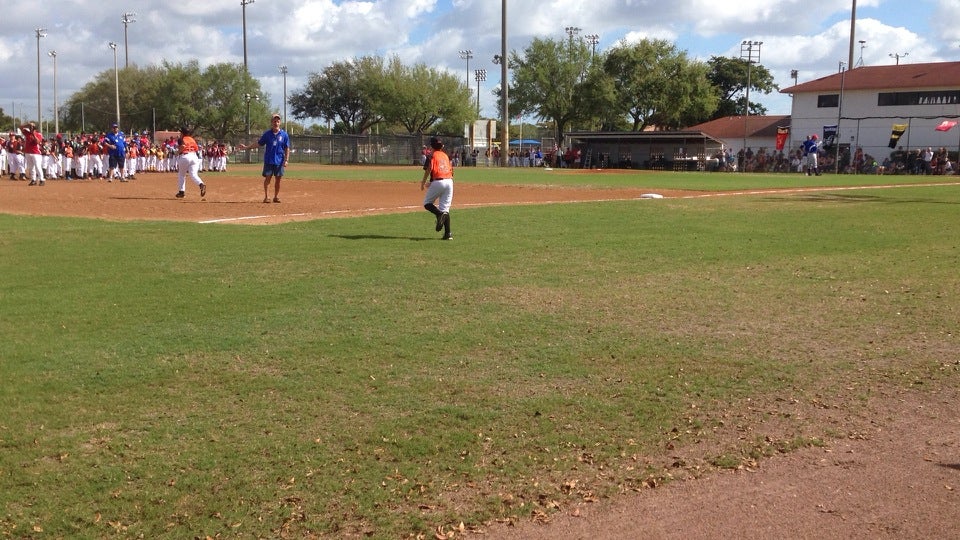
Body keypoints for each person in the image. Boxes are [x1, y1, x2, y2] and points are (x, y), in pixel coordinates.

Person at [420, 136, 453, 240]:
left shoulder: (431, 154)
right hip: (449, 181)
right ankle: (448, 234)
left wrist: (423, 182)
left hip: (438, 182)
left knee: (427, 203)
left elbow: (428, 169)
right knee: (446, 209)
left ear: (431, 145)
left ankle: (439, 215)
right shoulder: (445, 155)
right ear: (441, 145)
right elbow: (451, 170)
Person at [257, 113, 290, 203]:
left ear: (280, 123)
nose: (276, 123)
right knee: (268, 178)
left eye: (278, 121)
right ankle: (266, 197)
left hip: (279, 161)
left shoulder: (284, 135)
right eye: (274, 121)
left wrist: (286, 160)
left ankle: (276, 196)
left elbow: (287, 148)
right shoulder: (267, 134)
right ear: (271, 122)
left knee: (278, 179)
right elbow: (259, 143)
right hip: (269, 160)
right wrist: (246, 147)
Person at [175, 126, 206, 199]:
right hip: (194, 157)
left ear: (182, 133)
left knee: (182, 175)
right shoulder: (192, 139)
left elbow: (182, 146)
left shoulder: (181, 139)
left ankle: (181, 192)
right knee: (193, 174)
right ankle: (201, 184)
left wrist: (177, 152)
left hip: (185, 156)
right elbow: (196, 149)